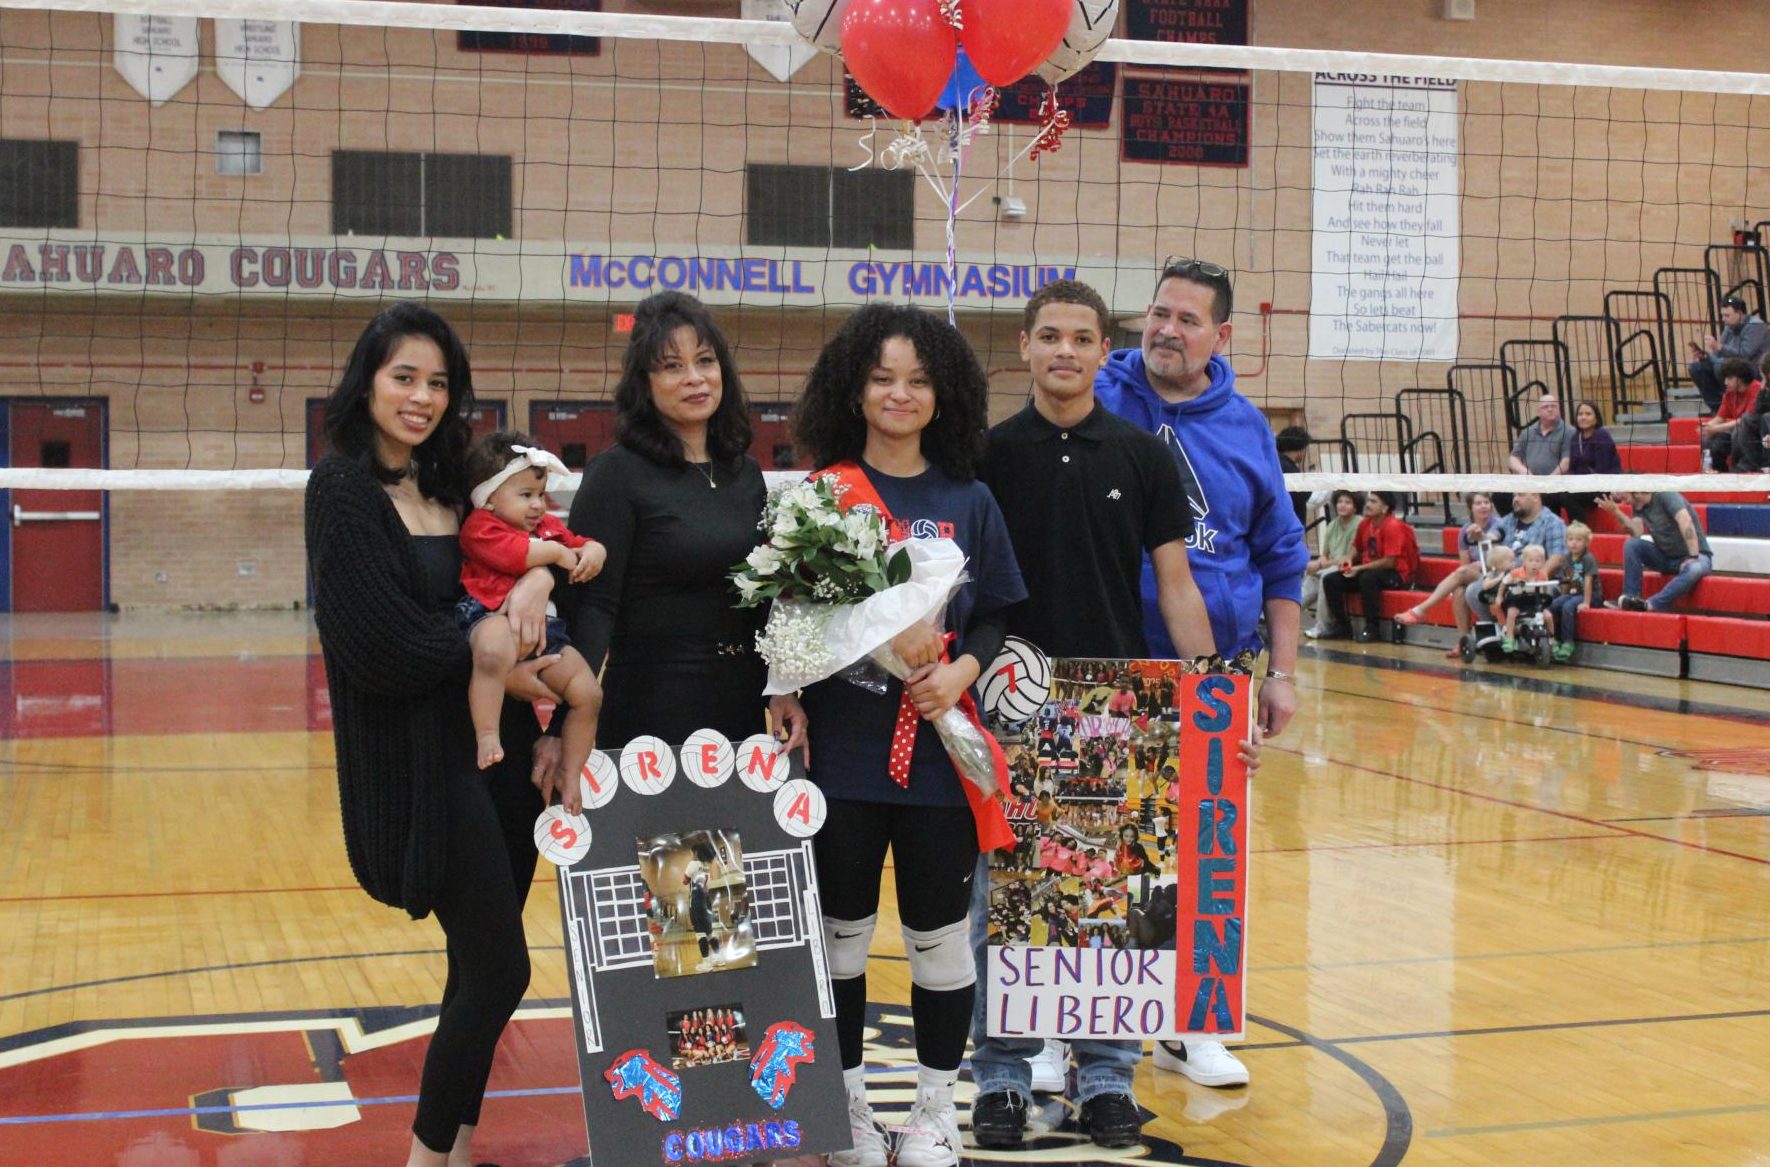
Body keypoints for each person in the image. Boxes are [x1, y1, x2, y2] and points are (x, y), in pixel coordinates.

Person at [306, 302, 567, 1167]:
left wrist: (533, 585)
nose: (420, 397)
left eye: (438, 383)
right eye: (403, 377)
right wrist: (494, 661)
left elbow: (517, 549)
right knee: (502, 969)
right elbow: (375, 641)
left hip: (491, 759)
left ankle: (452, 1151)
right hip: (422, 765)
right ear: (367, 381)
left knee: (474, 968)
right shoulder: (343, 489)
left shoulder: (450, 479)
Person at [971, 279, 1221, 1153]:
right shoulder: (988, 454)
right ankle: (1000, 1075)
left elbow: (1178, 584)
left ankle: (1107, 1075)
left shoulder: (1143, 455)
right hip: (1010, 701)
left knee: (1109, 897)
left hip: (1117, 702)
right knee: (1003, 898)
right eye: (1051, 337)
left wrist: (1212, 693)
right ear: (1027, 348)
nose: (1066, 351)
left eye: (1083, 337)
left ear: (1102, 351)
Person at [773, 303, 1025, 1167]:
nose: (900, 393)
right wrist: (791, 686)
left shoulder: (970, 497)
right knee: (839, 936)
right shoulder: (820, 493)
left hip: (939, 756)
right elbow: (794, 622)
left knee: (938, 938)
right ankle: (842, 1110)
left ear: (943, 393)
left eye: (918, 379)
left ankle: (933, 1113)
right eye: (882, 377)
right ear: (853, 387)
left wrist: (963, 671)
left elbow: (993, 613)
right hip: (842, 755)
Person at [1096, 255, 1307, 1088]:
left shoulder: (1248, 427)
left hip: (1211, 680)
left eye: (1187, 319)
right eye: (1157, 312)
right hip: (1103, 665)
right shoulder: (1100, 393)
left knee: (1202, 860)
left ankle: (1192, 1025)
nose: (1166, 330)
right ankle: (1065, 1030)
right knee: (1093, 851)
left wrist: (1282, 674)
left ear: (1222, 335)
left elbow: (1283, 557)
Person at [565, 290, 772, 749]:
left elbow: (763, 606)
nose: (695, 378)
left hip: (740, 705)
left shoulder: (746, 474)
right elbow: (592, 608)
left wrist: (784, 692)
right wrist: (564, 724)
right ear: (645, 383)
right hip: (652, 711)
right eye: (672, 366)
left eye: (705, 361)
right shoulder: (616, 473)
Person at [459, 432, 604, 781]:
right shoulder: (480, 526)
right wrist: (555, 554)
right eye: (525, 495)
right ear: (489, 499)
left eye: (540, 494)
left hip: (546, 631)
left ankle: (570, 772)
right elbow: (514, 555)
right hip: (490, 614)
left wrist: (596, 550)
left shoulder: (547, 526)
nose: (538, 504)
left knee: (589, 693)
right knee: (492, 653)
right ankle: (487, 734)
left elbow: (578, 542)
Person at [1453, 491, 1568, 647]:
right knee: (1473, 591)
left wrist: (1535, 580)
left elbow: (1557, 559)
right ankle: (1501, 631)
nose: (1515, 500)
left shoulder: (1553, 522)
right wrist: (1481, 536)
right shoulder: (1510, 520)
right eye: (1514, 496)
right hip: (1508, 577)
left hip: (1538, 581)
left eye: (1520, 495)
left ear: (1535, 497)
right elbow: (1492, 536)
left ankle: (1531, 634)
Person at [1393, 491, 1500, 656]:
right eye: (1478, 503)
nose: (1483, 506)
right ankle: (1463, 642)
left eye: (1486, 502)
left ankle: (1420, 610)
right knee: (1458, 591)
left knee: (1462, 573)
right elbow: (1465, 564)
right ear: (1470, 508)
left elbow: (1501, 557)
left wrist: (1484, 560)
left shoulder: (1499, 525)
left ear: (1492, 505)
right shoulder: (1464, 530)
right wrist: (1474, 566)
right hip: (1477, 576)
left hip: (1497, 575)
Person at [1316, 490, 1420, 643]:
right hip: (1371, 570)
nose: (1368, 505)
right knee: (1331, 580)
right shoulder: (1365, 524)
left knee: (1367, 578)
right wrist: (1349, 560)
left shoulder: (1392, 526)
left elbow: (1389, 562)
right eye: (1368, 501)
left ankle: (1372, 628)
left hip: (1396, 575)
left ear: (1384, 508)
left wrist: (1359, 568)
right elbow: (1355, 548)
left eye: (1373, 502)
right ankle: (1342, 627)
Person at [1597, 490, 1713, 612]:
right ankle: (1630, 598)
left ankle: (1652, 604)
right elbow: (1637, 532)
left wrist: (1693, 556)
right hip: (1666, 557)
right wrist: (1616, 512)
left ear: (1636, 492)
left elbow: (1685, 521)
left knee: (1695, 569)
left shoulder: (1666, 495)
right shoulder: (1638, 506)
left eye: (1622, 493)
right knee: (1632, 544)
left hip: (1695, 554)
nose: (1620, 497)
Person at [1687, 294, 1770, 413]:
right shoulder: (1730, 327)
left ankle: (1732, 407)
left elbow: (1744, 354)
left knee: (1721, 367)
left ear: (1740, 313)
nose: (1723, 319)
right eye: (1722, 315)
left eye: (1727, 315)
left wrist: (1719, 347)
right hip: (1733, 365)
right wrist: (1706, 357)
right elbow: (1719, 353)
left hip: (1755, 368)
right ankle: (1717, 409)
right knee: (1696, 368)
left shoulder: (1756, 325)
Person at [1302, 489, 1363, 638]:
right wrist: (1318, 563)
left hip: (1351, 567)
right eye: (1340, 502)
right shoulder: (1332, 525)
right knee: (1311, 574)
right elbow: (1325, 554)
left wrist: (1323, 564)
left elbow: (1349, 558)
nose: (1342, 505)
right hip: (1331, 564)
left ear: (1355, 507)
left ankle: (1323, 625)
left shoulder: (1360, 524)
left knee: (1326, 576)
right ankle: (1287, 611)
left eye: (1348, 502)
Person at [1508, 394, 1572, 515]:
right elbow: (1513, 458)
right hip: (1530, 482)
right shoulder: (1528, 432)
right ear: (1538, 412)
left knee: (1546, 497)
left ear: (1559, 409)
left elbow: (1566, 463)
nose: (1550, 409)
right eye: (1545, 407)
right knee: (1500, 496)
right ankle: (1515, 525)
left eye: (1553, 406)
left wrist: (1547, 482)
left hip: (1555, 484)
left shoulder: (1568, 431)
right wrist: (1524, 471)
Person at [1550, 521, 1601, 663]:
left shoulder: (1588, 559)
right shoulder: (1566, 558)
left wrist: (1586, 602)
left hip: (1591, 595)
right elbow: (1566, 579)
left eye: (1579, 540)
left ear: (1586, 542)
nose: (1574, 543)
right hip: (1573, 593)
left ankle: (1568, 641)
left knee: (1568, 607)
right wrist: (1563, 594)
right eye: (1571, 539)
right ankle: (1556, 638)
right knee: (1554, 605)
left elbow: (1588, 581)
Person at [1563, 400, 1622, 522]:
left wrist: (1578, 484)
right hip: (1582, 485)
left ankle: (1579, 531)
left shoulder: (1602, 436)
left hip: (1603, 486)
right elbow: (1572, 468)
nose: (1583, 417)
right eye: (1580, 414)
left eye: (1588, 414)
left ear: (1596, 418)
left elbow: (1603, 470)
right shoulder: (1575, 438)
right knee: (1552, 495)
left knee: (1568, 496)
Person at [1700, 358, 1759, 472]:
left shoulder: (1755, 388)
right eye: (1725, 378)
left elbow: (1745, 420)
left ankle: (1739, 468)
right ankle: (1718, 472)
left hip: (1753, 433)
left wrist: (1716, 428)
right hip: (1734, 430)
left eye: (1730, 378)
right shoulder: (1730, 393)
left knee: (1736, 432)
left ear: (1741, 378)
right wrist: (1707, 426)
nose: (1726, 382)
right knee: (1712, 441)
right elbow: (1720, 417)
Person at [1498, 543, 1554, 653]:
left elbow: (1545, 588)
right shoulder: (1516, 573)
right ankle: (1510, 638)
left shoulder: (1543, 575)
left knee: (1548, 616)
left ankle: (1551, 637)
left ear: (1542, 562)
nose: (1534, 564)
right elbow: (1504, 583)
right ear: (1524, 561)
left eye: (1537, 561)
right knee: (1512, 613)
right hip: (1517, 600)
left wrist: (1544, 599)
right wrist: (1499, 596)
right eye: (1531, 560)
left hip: (1534, 600)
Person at [1275, 424, 1314, 527]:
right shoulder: (1287, 467)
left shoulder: (1275, 462)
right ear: (1300, 448)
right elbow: (1301, 495)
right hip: (1287, 527)